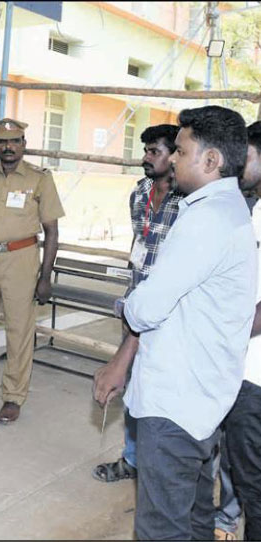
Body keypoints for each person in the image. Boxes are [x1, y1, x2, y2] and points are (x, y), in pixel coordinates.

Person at [94, 105, 255, 541]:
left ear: (210, 161)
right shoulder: (232, 210)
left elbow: (147, 308)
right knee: (194, 518)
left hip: (176, 404)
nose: (174, 160)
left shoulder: (206, 219)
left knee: (161, 528)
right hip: (203, 399)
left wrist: (128, 306)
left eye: (181, 151)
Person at [92, 124, 182, 483]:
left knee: (164, 394)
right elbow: (138, 247)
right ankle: (132, 459)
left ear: (174, 155)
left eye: (154, 151)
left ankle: (163, 467)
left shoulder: (188, 201)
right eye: (145, 150)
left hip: (171, 312)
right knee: (132, 387)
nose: (146, 157)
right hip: (137, 307)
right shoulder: (140, 192)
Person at [0, 118, 64, 424]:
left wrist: (45, 277)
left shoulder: (39, 179)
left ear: (23, 144)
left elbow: (52, 232)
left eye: (15, 141)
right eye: (2, 142)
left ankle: (13, 396)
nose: (8, 147)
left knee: (19, 331)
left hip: (21, 259)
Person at [221, 120, 261, 542]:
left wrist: (222, 332)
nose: (237, 163)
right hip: (245, 364)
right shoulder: (253, 206)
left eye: (246, 154)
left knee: (253, 485)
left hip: (254, 374)